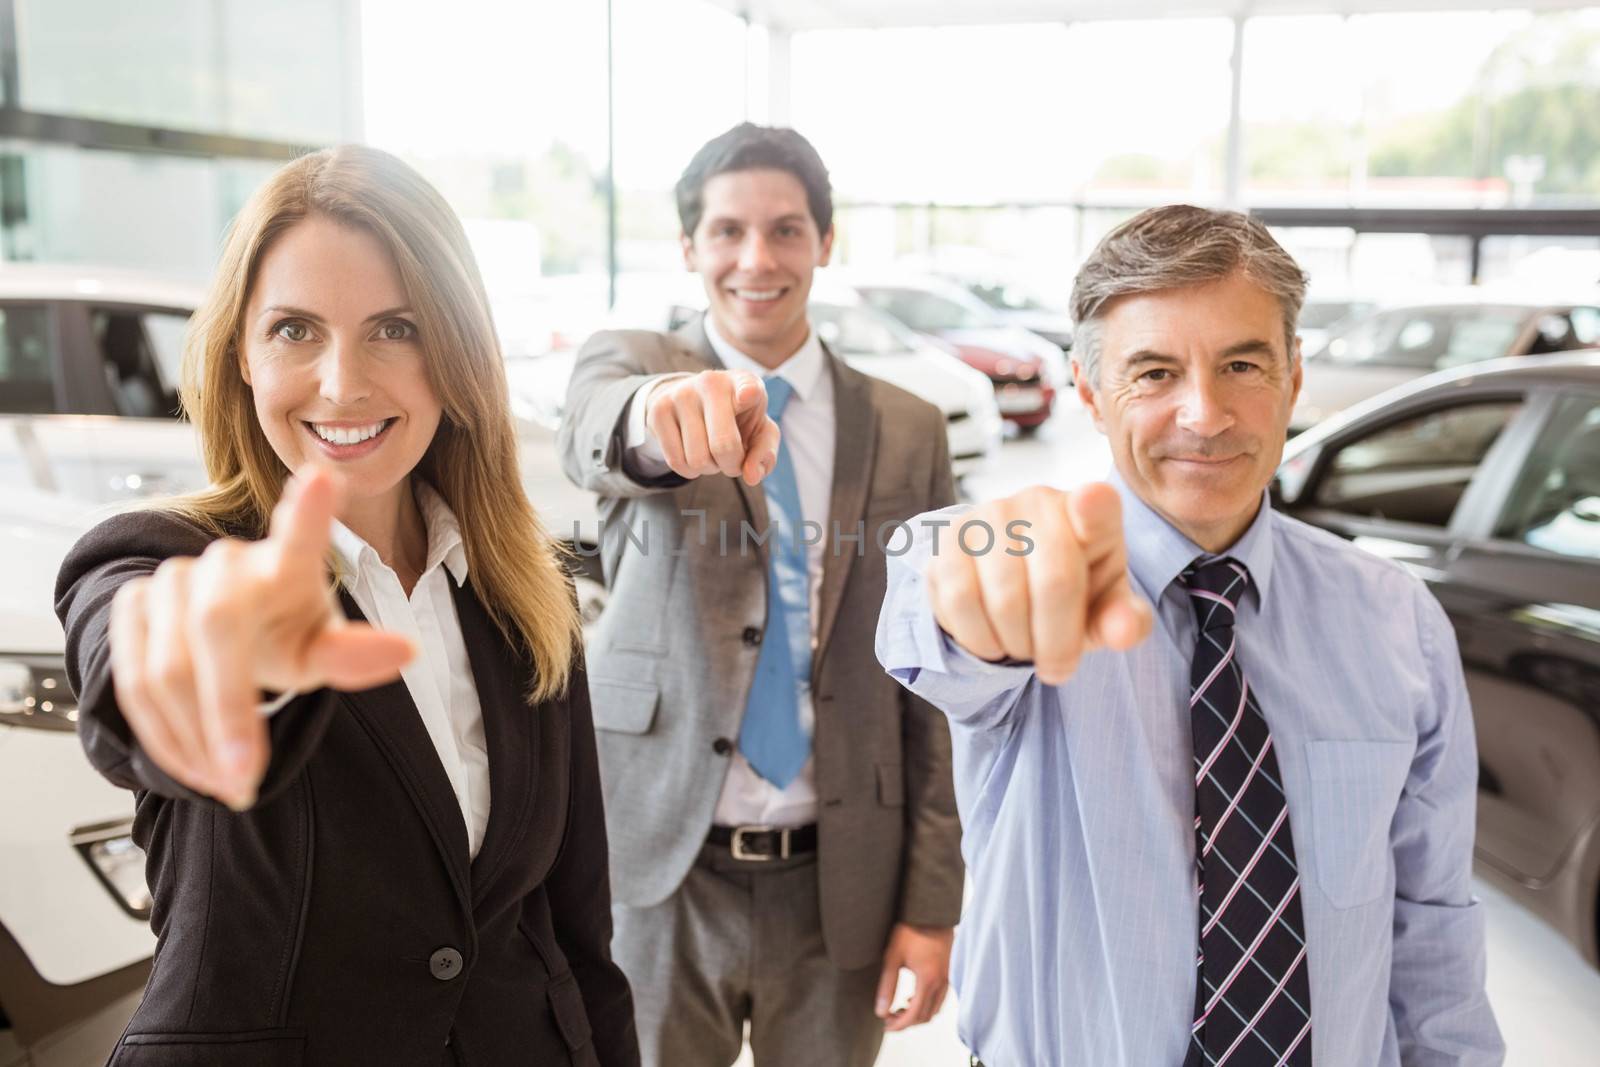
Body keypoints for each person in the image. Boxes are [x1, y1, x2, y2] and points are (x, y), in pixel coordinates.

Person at [876, 205, 1504, 1066]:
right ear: (1091, 393)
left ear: (1292, 379)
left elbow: (1432, 929)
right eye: (1155, 371)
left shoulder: (1398, 622)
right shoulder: (1046, 581)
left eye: (1242, 363)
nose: (1204, 414)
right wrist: (983, 575)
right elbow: (943, 571)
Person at [54, 145, 638, 1067]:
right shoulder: (161, 558)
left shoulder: (528, 588)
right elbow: (136, 655)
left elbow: (574, 931)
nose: (341, 381)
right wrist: (218, 671)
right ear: (240, 355)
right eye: (294, 329)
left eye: (394, 328)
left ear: (455, 353)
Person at [558, 123, 962, 1067]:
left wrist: (933, 901)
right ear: (691, 248)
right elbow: (598, 429)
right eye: (728, 231)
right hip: (658, 866)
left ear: (826, 241)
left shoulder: (908, 428)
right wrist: (661, 419)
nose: (756, 258)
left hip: (841, 879)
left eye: (786, 230)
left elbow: (931, 677)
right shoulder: (632, 364)